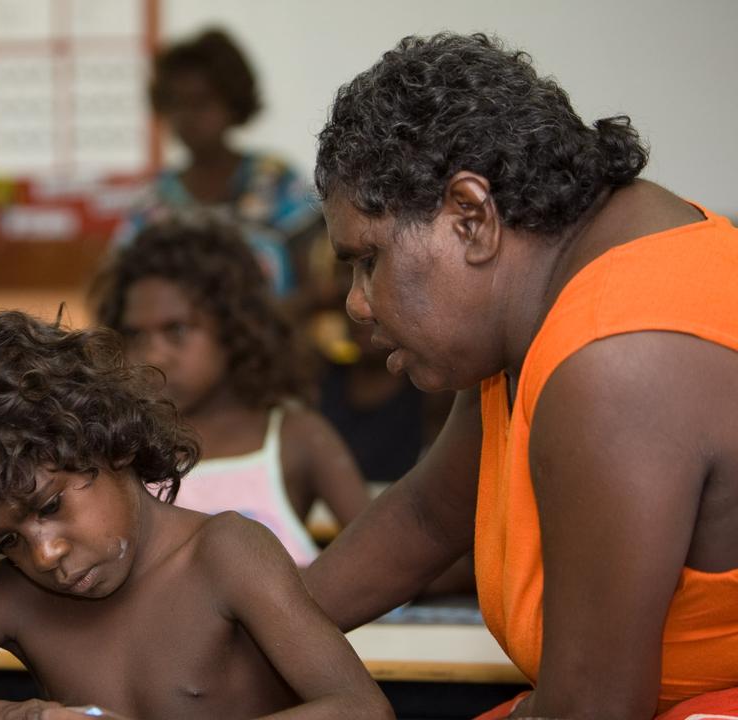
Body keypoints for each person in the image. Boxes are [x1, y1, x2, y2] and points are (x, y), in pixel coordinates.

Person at [304, 33, 738, 719]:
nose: (358, 304)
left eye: (368, 260)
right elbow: (425, 518)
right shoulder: (550, 296)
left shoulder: (617, 358)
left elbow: (589, 710)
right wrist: (244, 633)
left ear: (470, 217)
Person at [0, 311, 391, 720]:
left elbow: (361, 709)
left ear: (113, 444)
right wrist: (16, 716)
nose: (45, 554)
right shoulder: (18, 596)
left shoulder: (226, 553)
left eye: (51, 506)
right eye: (7, 541)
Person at [93, 215, 369, 567]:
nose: (152, 355)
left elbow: (383, 560)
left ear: (234, 330)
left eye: (175, 330)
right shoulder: (123, 449)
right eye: (135, 335)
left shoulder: (295, 437)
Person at [113, 28, 318, 298]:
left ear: (233, 104)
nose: (187, 116)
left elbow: (318, 283)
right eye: (176, 103)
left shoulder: (276, 181)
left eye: (201, 102)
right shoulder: (152, 205)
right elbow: (118, 291)